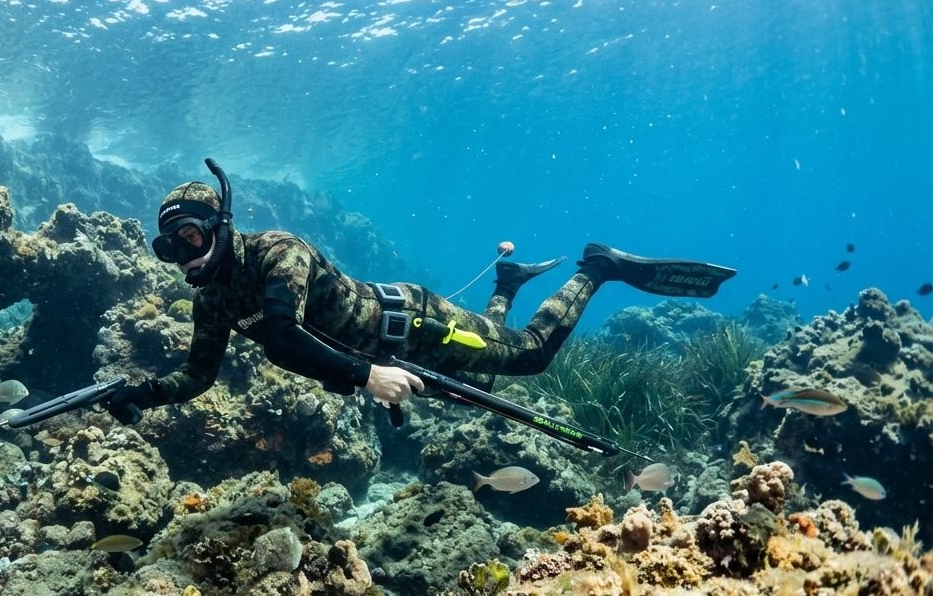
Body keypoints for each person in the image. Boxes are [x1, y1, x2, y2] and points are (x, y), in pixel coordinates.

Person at [107, 175, 735, 423]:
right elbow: (198, 375)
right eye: (169, 247)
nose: (184, 255)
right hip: (390, 355)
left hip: (416, 326)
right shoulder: (212, 301)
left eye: (191, 236)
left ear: (219, 227)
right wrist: (144, 392)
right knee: (483, 373)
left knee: (528, 356)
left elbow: (281, 336)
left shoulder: (277, 250)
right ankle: (507, 284)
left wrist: (367, 376)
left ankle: (598, 267)